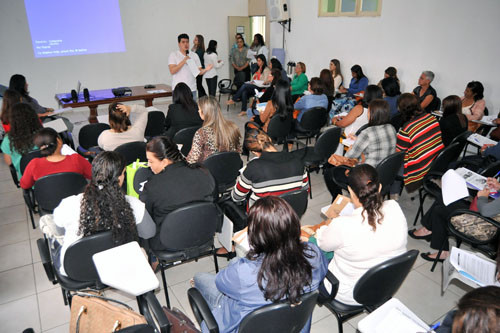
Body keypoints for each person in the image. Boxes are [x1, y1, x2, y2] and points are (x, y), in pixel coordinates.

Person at [193, 196, 328, 333]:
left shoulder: (244, 272)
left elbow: (220, 283)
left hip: (245, 324)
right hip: (294, 324)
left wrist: (251, 257)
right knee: (234, 263)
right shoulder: (314, 253)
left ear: (256, 237)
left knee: (200, 278)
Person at [52, 151, 156, 276]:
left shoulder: (69, 204)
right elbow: (149, 232)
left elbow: (59, 231)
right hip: (119, 266)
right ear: (119, 178)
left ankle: (87, 294)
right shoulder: (133, 204)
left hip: (77, 270)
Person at [316, 164, 407, 305]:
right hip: (385, 287)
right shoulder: (395, 208)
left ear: (351, 192)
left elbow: (323, 244)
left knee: (312, 248)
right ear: (380, 187)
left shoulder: (342, 224)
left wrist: (327, 225)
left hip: (347, 293)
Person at [140, 136, 216, 249]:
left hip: (167, 241)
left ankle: (152, 260)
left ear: (164, 162)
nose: (148, 165)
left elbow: (147, 217)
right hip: (204, 233)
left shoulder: (152, 186)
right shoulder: (202, 171)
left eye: (150, 161)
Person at [409, 177, 500, 262]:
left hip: (487, 228)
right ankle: (427, 230)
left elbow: (486, 211)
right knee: (446, 197)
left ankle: (441, 249)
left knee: (440, 210)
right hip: (489, 218)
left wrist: (482, 197)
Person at [324, 99, 397, 199]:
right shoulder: (391, 128)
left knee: (329, 173)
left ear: (372, 114)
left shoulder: (367, 132)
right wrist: (359, 140)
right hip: (383, 174)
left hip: (366, 176)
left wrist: (352, 146)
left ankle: (338, 199)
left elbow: (349, 156)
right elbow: (378, 142)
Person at [232, 129, 309, 208]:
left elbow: (237, 197)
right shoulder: (297, 161)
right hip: (290, 212)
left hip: (263, 216)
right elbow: (305, 190)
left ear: (253, 152)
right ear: (270, 140)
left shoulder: (253, 167)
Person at [394, 93, 444, 193]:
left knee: (388, 164)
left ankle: (393, 193)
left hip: (418, 168)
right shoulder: (432, 118)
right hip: (434, 162)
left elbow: (397, 154)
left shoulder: (407, 128)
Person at [20, 128, 92, 189]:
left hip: (49, 204)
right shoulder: (76, 159)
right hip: (78, 202)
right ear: (59, 141)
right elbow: (94, 175)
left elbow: (24, 185)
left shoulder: (34, 164)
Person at [9, 74, 74, 132]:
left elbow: (36, 106)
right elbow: (27, 116)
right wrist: (44, 114)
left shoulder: (24, 96)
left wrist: (46, 109)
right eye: (25, 82)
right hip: (40, 121)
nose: (27, 84)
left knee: (66, 120)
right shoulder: (20, 100)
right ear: (20, 85)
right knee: (68, 125)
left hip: (44, 116)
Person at [186, 96, 241, 164]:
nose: (198, 111)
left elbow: (192, 159)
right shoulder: (233, 127)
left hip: (207, 172)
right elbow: (238, 151)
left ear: (204, 112)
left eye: (199, 109)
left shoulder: (201, 133)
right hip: (230, 169)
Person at [1, 103, 42, 177]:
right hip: (48, 176)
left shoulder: (8, 140)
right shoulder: (43, 134)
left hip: (27, 180)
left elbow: (9, 163)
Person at [168, 33, 213, 98]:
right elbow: (172, 71)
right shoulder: (173, 55)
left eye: (187, 42)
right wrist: (184, 61)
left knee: (193, 108)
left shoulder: (194, 55)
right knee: (179, 108)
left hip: (192, 89)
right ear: (179, 43)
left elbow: (199, 72)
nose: (185, 44)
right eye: (183, 42)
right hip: (178, 90)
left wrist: (206, 69)